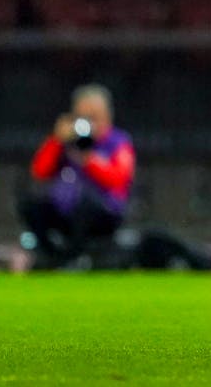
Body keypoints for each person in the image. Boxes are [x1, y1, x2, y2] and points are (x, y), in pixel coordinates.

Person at [18, 83, 135, 270]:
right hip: (66, 209)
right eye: (83, 117)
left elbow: (118, 178)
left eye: (94, 117)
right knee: (33, 203)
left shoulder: (117, 142)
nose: (89, 123)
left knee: (86, 204)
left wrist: (88, 159)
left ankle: (74, 257)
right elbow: (40, 171)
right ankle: (51, 255)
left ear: (106, 115)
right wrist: (57, 140)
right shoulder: (66, 142)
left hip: (103, 212)